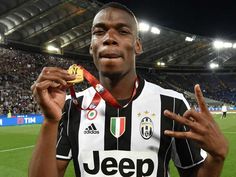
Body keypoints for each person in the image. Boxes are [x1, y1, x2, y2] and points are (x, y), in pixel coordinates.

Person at [29, 2, 228, 177]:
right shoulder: (73, 106)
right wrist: (50, 121)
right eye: (99, 32)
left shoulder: (172, 104)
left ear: (138, 45)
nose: (109, 38)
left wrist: (216, 158)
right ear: (91, 46)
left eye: (122, 31)